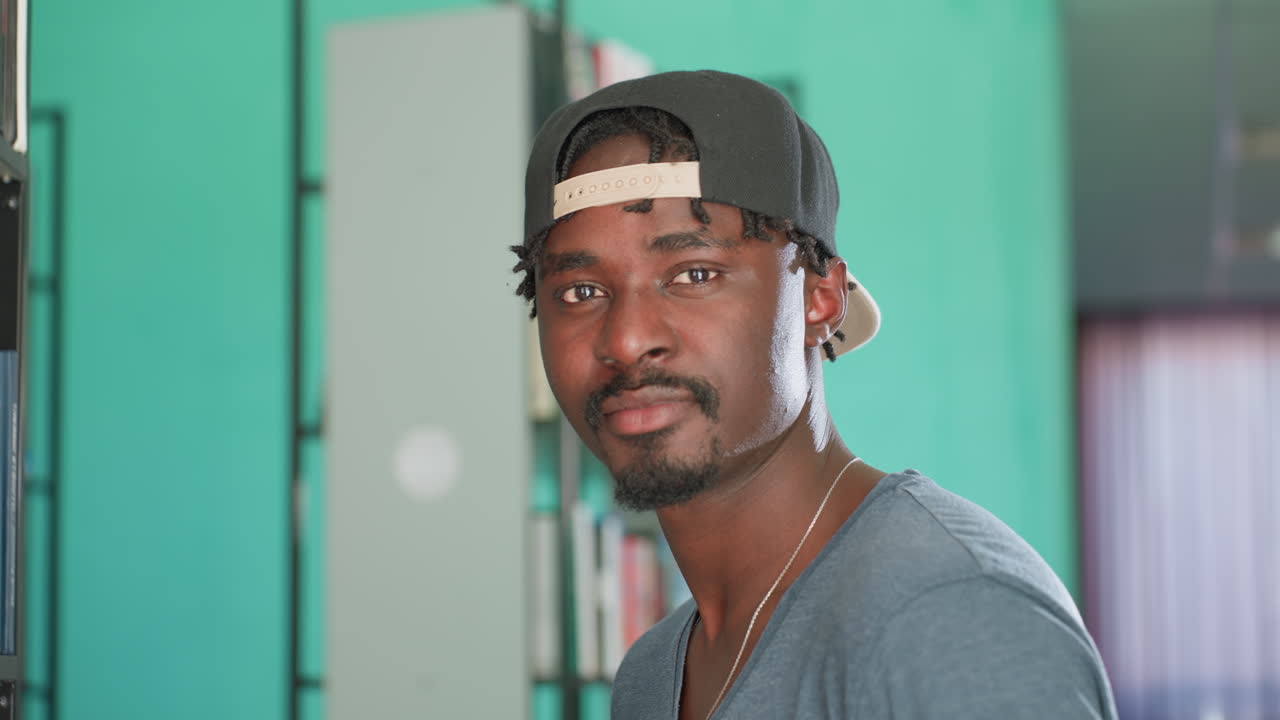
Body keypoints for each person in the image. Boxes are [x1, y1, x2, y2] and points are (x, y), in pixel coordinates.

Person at [513, 70, 1116, 719]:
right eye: (580, 292)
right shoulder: (652, 674)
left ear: (820, 298)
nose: (627, 340)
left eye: (694, 273)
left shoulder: (948, 612)